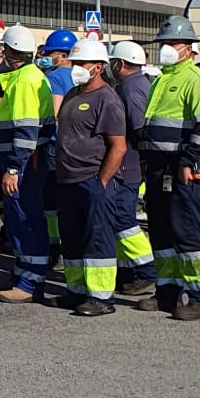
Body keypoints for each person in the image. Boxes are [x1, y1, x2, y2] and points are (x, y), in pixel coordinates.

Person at [138, 14, 200, 320]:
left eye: (173, 43)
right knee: (161, 232)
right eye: (164, 44)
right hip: (160, 169)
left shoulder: (196, 81)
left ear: (189, 47)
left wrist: (187, 161)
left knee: (189, 234)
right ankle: (168, 292)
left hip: (183, 170)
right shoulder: (163, 79)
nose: (167, 49)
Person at [49, 38, 128, 317]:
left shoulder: (108, 99)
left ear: (98, 67)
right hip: (68, 179)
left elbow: (118, 146)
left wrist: (102, 182)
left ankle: (101, 297)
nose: (77, 68)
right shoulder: (72, 94)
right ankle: (77, 290)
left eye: (83, 64)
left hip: (93, 179)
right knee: (71, 237)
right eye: (75, 63)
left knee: (98, 238)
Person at [0, 24, 57, 303]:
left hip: (25, 162)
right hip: (23, 159)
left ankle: (30, 283)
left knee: (26, 218)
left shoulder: (26, 80)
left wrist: (14, 167)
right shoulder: (25, 77)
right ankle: (21, 275)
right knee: (19, 219)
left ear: (9, 52)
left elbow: (26, 129)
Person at [106, 40, 157, 295]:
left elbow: (138, 130)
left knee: (123, 218)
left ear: (121, 64)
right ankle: (128, 272)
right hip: (131, 162)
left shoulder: (130, 89)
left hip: (127, 164)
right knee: (119, 219)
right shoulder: (137, 84)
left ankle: (146, 269)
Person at [39, 29, 78, 103]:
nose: (45, 57)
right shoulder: (82, 74)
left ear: (63, 56)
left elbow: (55, 110)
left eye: (48, 53)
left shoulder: (55, 77)